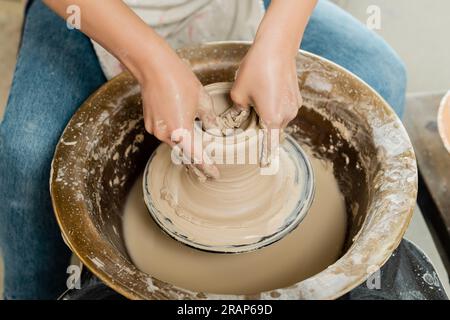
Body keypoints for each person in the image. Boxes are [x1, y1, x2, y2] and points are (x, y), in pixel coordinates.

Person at [0, 0, 406, 299]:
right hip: (94, 14)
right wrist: (150, 61)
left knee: (380, 76)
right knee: (27, 154)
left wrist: (281, 40)